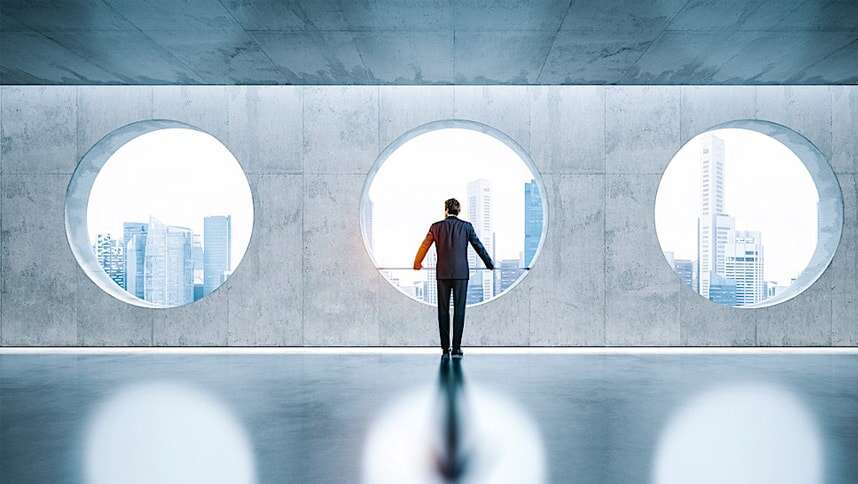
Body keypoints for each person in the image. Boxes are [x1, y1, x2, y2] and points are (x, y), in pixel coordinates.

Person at [414, 198, 494, 359]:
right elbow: (478, 246)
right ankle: (456, 348)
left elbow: (425, 245)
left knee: (443, 311)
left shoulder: (436, 227)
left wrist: (417, 263)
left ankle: (445, 349)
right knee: (459, 311)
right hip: (461, 274)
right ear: (459, 210)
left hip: (442, 273)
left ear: (445, 210)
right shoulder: (466, 227)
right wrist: (489, 263)